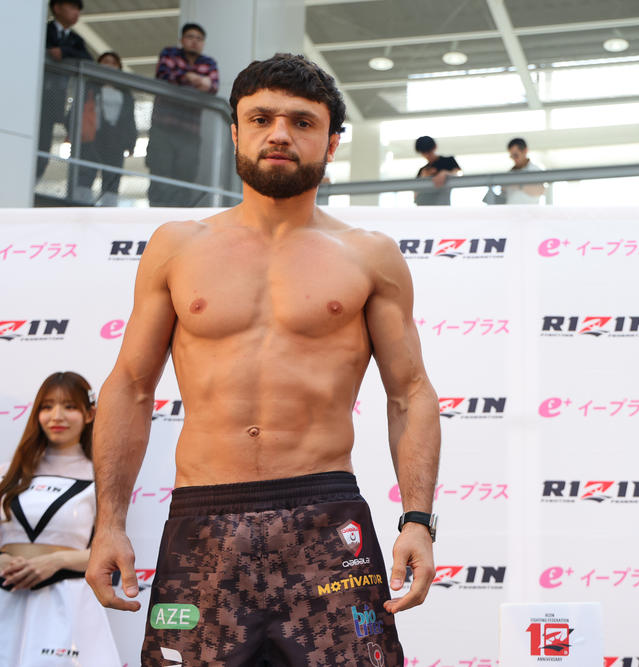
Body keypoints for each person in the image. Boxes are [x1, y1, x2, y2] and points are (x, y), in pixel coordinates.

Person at [85, 54, 441, 666]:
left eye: (302, 122)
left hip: (325, 518)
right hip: (204, 519)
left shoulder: (369, 256)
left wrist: (418, 521)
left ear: (332, 142)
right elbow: (132, 386)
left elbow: (409, 393)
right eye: (261, 119)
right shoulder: (177, 247)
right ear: (235, 132)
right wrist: (108, 523)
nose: (279, 134)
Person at [0, 372, 122, 666]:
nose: (57, 416)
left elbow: (112, 554)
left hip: (67, 604)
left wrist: (56, 561)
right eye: (47, 406)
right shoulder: (7, 473)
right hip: (6, 599)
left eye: (69, 406)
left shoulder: (103, 476)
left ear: (89, 414)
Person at [146, 22, 219, 207]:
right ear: (182, 39)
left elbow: (213, 87)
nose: (194, 41)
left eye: (199, 38)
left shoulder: (209, 62)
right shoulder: (169, 53)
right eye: (190, 37)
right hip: (163, 127)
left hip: (190, 132)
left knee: (186, 175)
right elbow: (164, 75)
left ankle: (181, 213)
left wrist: (185, 78)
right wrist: (191, 78)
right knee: (160, 171)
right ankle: (157, 211)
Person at [38, 0, 92, 181]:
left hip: (55, 100)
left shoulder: (76, 40)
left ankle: (35, 175)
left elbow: (88, 59)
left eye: (78, 9)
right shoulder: (43, 30)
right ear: (57, 8)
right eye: (72, 7)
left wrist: (64, 51)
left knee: (43, 146)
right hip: (36, 95)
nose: (76, 12)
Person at [76, 51, 139, 206]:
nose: (109, 65)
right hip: (92, 136)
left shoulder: (125, 93)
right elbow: (77, 110)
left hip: (115, 139)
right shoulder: (89, 86)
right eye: (105, 62)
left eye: (113, 63)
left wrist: (131, 142)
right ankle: (80, 206)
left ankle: (108, 208)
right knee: (86, 172)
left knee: (112, 177)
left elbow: (129, 118)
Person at [414, 135, 460, 206]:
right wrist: (424, 178)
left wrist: (446, 173)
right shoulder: (423, 170)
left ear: (435, 147)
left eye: (428, 151)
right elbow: (415, 195)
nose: (427, 155)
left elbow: (459, 175)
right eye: (423, 153)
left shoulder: (448, 161)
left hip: (442, 205)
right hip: (424, 206)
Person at [501, 137, 545, 205]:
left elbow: (540, 191)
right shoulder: (509, 173)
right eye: (511, 156)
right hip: (510, 210)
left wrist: (518, 184)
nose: (514, 159)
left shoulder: (535, 170)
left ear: (525, 151)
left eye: (516, 155)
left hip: (529, 210)